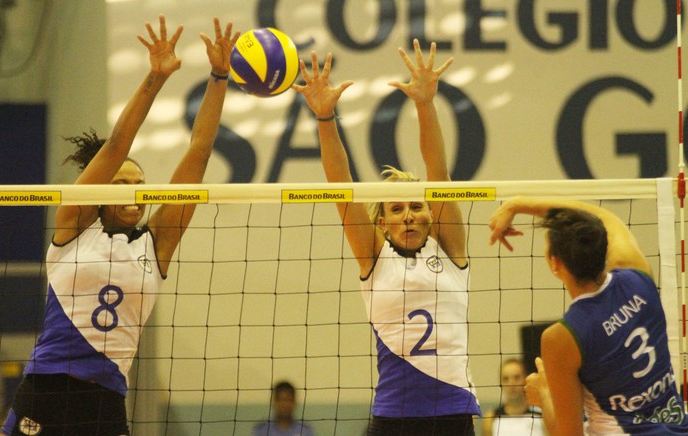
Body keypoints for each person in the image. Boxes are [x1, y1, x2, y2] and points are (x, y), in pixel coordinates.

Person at [0, 15, 239, 436]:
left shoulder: (155, 245)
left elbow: (199, 153)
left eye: (140, 185)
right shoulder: (74, 227)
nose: (133, 192)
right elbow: (116, 145)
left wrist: (219, 76)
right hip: (46, 391)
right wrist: (155, 77)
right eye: (121, 183)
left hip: (105, 400)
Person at [292, 39, 480, 435]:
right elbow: (341, 187)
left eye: (416, 206)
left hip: (452, 411)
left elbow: (437, 171)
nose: (409, 215)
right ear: (382, 222)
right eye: (396, 209)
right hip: (394, 416)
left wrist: (426, 105)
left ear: (431, 214)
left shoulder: (449, 249)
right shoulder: (374, 259)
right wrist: (325, 119)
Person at [488, 197, 688, 435]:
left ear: (554, 263)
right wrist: (518, 205)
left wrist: (543, 394)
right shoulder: (638, 274)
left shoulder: (561, 337)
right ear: (602, 244)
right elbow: (606, 218)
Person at [481, 358, 546, 436]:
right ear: (500, 383)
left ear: (525, 379)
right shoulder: (490, 418)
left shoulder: (542, 415)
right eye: (506, 379)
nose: (511, 384)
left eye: (516, 377)